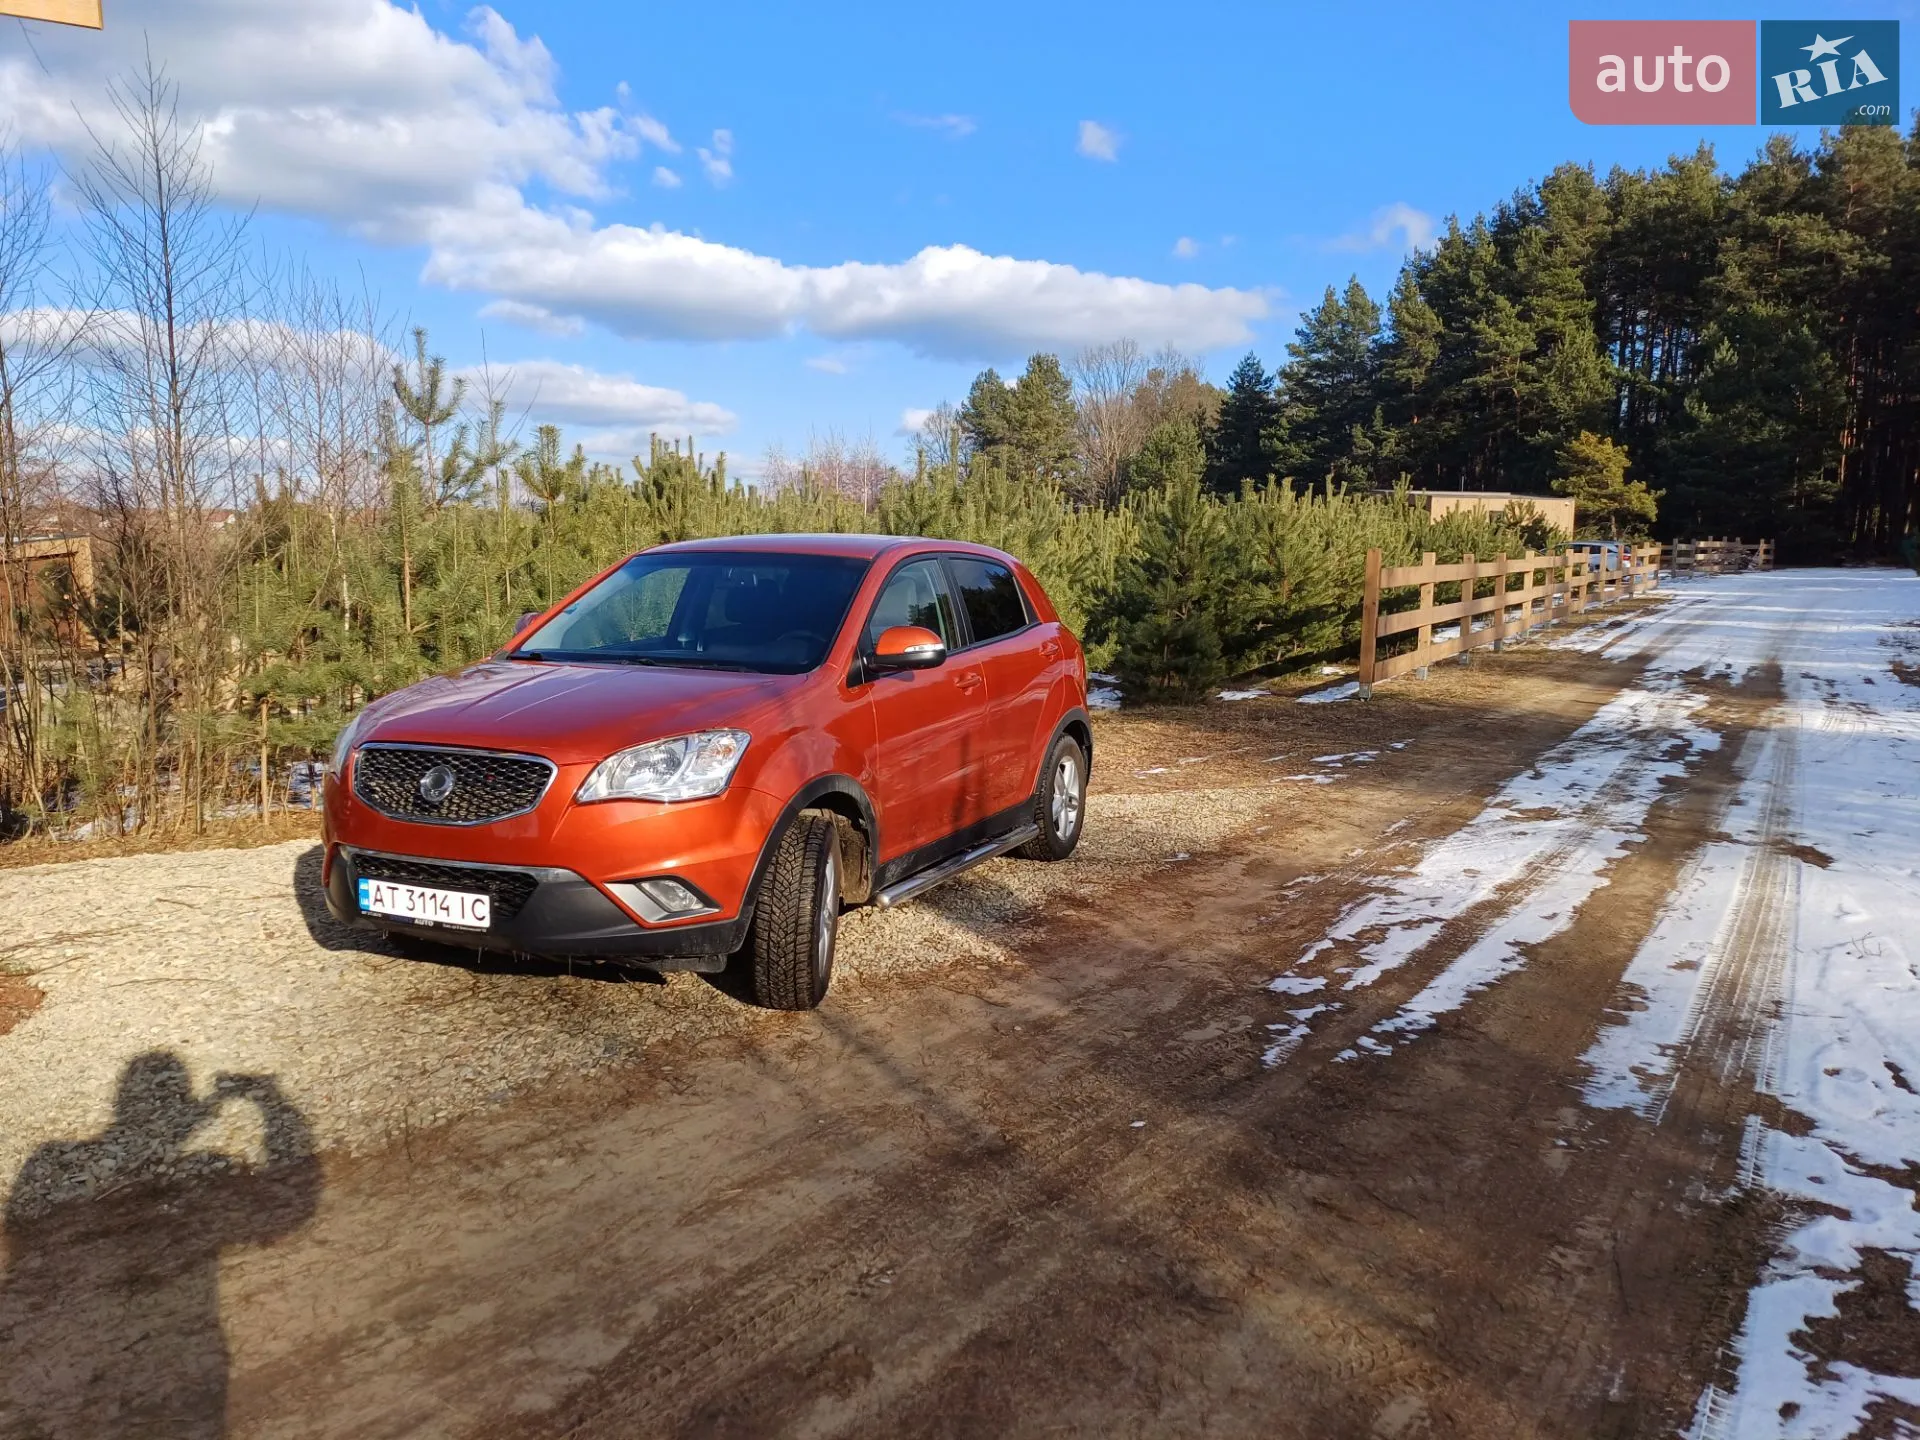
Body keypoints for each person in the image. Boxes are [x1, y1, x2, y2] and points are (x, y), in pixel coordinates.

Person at [0, 1052, 320, 1439]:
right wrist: (268, 1100)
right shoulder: (200, 1180)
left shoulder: (51, 1163)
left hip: (55, 1375)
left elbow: (21, 1232)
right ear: (184, 1114)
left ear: (119, 1106)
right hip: (167, 1382)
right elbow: (291, 1202)